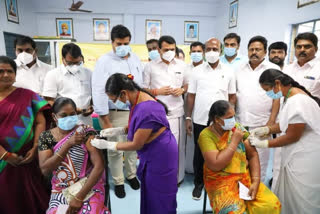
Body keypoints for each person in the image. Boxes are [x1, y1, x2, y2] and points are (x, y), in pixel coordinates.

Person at [91, 73, 178, 214]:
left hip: (161, 156)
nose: (115, 103)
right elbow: (136, 126)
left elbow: (136, 144)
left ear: (123, 93)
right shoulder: (137, 100)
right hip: (152, 150)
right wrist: (116, 131)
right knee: (150, 193)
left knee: (160, 197)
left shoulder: (147, 109)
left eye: (115, 99)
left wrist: (108, 145)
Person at [250, 68, 320, 213]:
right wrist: (267, 130)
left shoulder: (298, 101)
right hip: (299, 153)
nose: (268, 94)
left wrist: (265, 143)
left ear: (277, 83)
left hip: (304, 158)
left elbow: (293, 135)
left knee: (302, 199)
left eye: (268, 90)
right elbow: (286, 124)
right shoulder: (290, 97)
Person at [199, 100, 281, 213]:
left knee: (272, 204)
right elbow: (215, 164)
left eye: (233, 116)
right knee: (232, 211)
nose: (233, 121)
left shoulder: (237, 128)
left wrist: (256, 181)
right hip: (220, 182)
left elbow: (252, 155)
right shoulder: (206, 135)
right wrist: (234, 142)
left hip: (244, 178)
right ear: (217, 119)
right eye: (229, 118)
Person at [92, 24, 143, 198]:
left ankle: (131, 175)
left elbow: (139, 86)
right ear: (112, 42)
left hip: (133, 111)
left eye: (126, 43)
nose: (122, 47)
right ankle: (118, 181)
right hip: (113, 112)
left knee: (132, 147)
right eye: (119, 43)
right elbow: (99, 90)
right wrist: (105, 119)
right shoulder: (104, 61)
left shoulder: (135, 59)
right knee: (114, 150)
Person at [38, 97, 110, 214]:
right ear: (54, 117)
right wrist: (68, 144)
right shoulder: (46, 137)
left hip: (88, 186)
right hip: (62, 190)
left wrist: (78, 198)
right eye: (64, 115)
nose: (69, 118)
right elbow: (45, 169)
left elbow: (99, 166)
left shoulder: (86, 132)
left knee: (89, 211)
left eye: (72, 114)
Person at [186, 37, 236, 200]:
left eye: (215, 49)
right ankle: (198, 184)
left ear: (220, 51)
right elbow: (191, 96)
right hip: (200, 119)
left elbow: (232, 96)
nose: (211, 52)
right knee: (200, 153)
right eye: (208, 49)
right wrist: (188, 117)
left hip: (222, 122)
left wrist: (230, 118)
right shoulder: (196, 71)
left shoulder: (229, 71)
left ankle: (216, 183)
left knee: (222, 152)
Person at [0, 56, 50, 214]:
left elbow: (40, 122)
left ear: (15, 74)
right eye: (1, 71)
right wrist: (5, 155)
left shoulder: (28, 95)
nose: (6, 75)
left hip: (27, 158)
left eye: (10, 71)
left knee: (32, 196)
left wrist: (36, 147)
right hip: (3, 161)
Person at [143, 35, 188, 185]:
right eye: (166, 49)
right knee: (158, 148)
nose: (169, 52)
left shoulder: (182, 65)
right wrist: (157, 91)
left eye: (172, 49)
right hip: (157, 115)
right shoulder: (150, 66)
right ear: (159, 50)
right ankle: (158, 178)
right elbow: (143, 90)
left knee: (177, 148)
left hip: (177, 113)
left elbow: (188, 85)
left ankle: (177, 178)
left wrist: (182, 90)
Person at [235, 36, 280, 184]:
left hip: (262, 124)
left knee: (259, 163)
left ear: (265, 51)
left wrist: (271, 122)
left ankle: (256, 195)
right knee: (241, 161)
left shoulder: (273, 70)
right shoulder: (239, 69)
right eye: (251, 49)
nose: (254, 52)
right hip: (240, 123)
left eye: (258, 49)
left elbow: (277, 98)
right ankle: (242, 194)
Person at [42, 43, 94, 126]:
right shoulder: (53, 74)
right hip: (64, 120)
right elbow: (49, 100)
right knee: (66, 139)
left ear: (81, 58)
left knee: (88, 137)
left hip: (85, 120)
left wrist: (91, 107)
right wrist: (70, 111)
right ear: (63, 59)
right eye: (70, 63)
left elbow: (93, 94)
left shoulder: (89, 73)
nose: (74, 66)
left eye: (77, 63)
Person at [185, 41, 205, 174]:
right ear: (190, 53)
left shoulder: (207, 69)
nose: (196, 54)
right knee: (188, 141)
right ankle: (188, 168)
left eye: (199, 51)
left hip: (202, 111)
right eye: (194, 52)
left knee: (201, 144)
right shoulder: (186, 68)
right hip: (187, 109)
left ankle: (199, 172)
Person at [284, 32, 320, 98]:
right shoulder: (287, 69)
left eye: (307, 47)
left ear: (316, 49)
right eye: (299, 47)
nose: (302, 50)